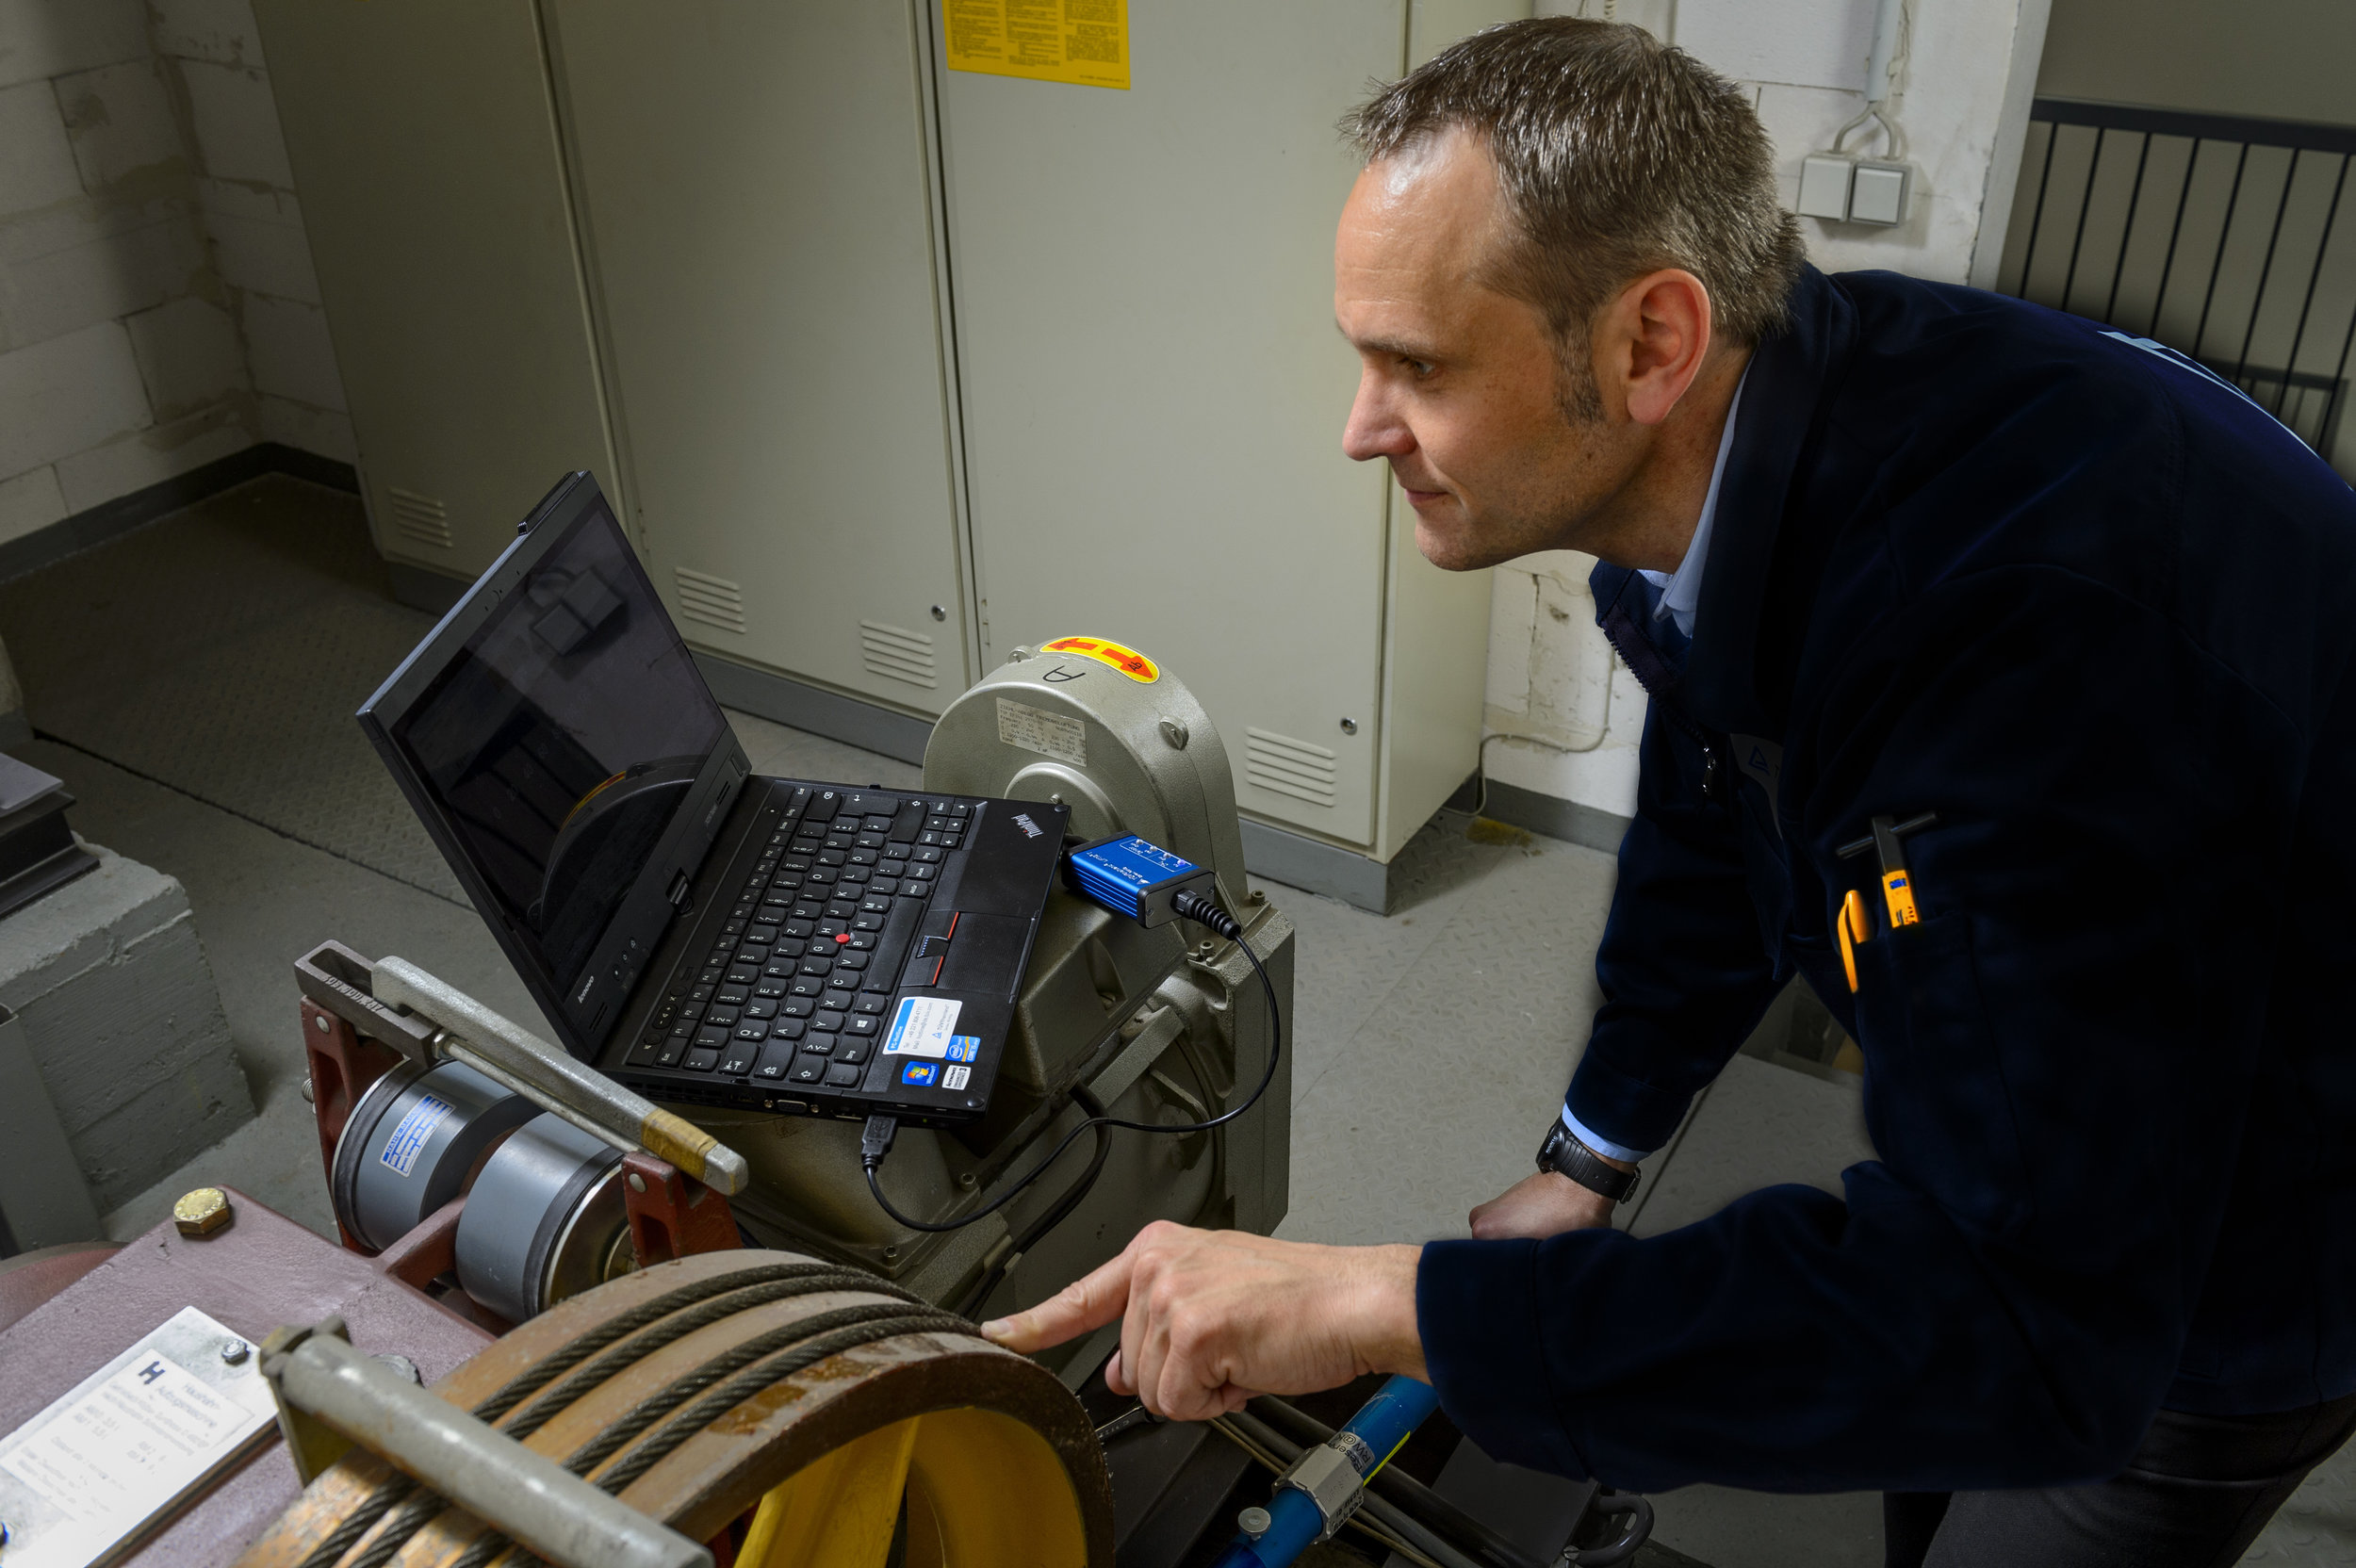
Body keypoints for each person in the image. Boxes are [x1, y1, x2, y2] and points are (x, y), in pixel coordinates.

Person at [983, 17, 2356, 1566]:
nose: (1361, 430)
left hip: (2222, 1261)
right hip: (2088, 1092)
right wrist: (1596, 1156)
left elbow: (2023, 1319)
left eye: (1415, 366)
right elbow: (1722, 816)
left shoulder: (2011, 655)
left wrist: (1391, 1304)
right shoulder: (1760, 442)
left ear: (1650, 341)